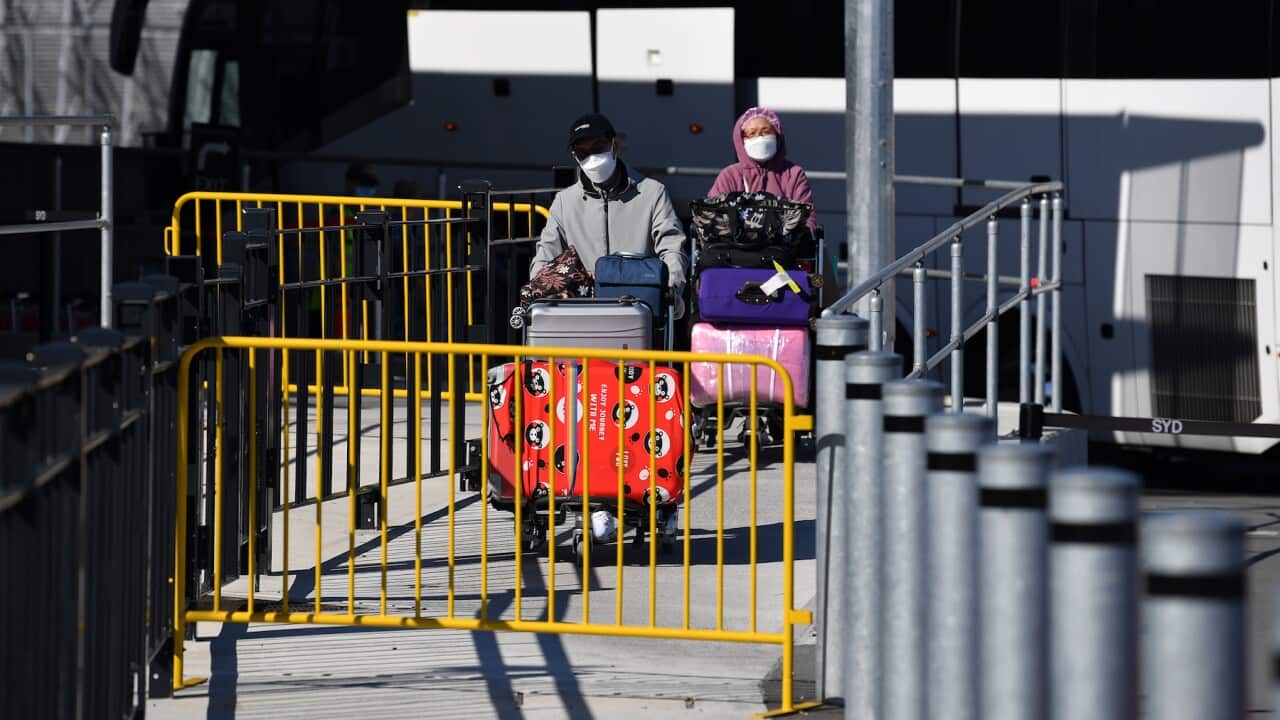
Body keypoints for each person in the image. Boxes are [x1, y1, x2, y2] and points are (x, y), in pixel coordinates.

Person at [531, 113, 688, 317]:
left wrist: (669, 290)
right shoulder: (564, 201)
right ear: (574, 157)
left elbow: (672, 248)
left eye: (598, 147)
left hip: (638, 312)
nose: (592, 157)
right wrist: (543, 291)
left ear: (615, 145)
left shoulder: (652, 192)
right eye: (582, 153)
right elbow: (545, 259)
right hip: (581, 315)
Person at [707, 107, 818, 236]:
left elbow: (807, 217)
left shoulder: (793, 174)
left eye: (765, 132)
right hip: (736, 251)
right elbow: (712, 215)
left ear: (777, 135)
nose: (759, 138)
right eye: (752, 133)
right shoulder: (730, 175)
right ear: (741, 139)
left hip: (783, 250)